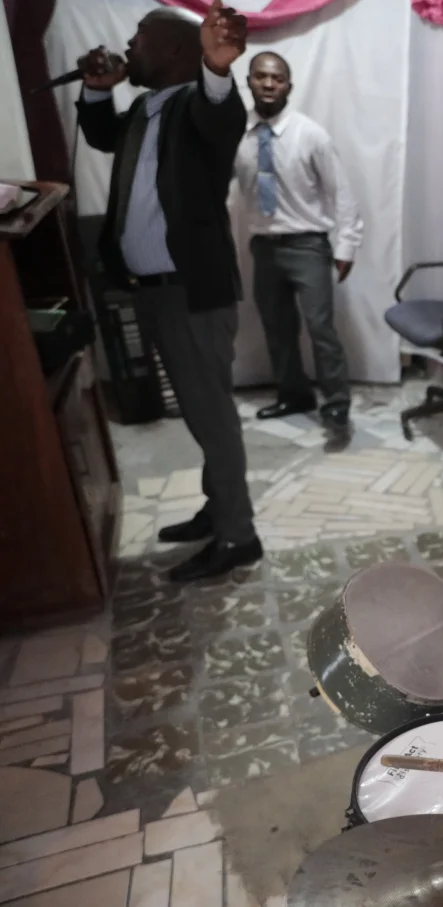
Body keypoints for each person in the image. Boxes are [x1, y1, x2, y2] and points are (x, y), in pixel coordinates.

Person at [77, 2, 262, 583]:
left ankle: (238, 536)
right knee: (202, 414)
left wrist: (217, 66)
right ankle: (218, 510)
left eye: (139, 39)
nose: (128, 47)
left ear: (178, 52)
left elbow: (220, 113)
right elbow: (101, 133)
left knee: (212, 416)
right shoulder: (142, 111)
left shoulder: (197, 106)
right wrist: (98, 88)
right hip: (154, 290)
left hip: (192, 292)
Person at [235, 51, 364, 430]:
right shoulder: (238, 135)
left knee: (321, 328)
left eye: (277, 78)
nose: (269, 84)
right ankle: (294, 395)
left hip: (308, 246)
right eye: (261, 77)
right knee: (277, 329)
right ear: (250, 81)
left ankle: (337, 402)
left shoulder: (311, 135)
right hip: (264, 247)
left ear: (289, 85)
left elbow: (342, 194)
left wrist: (346, 246)